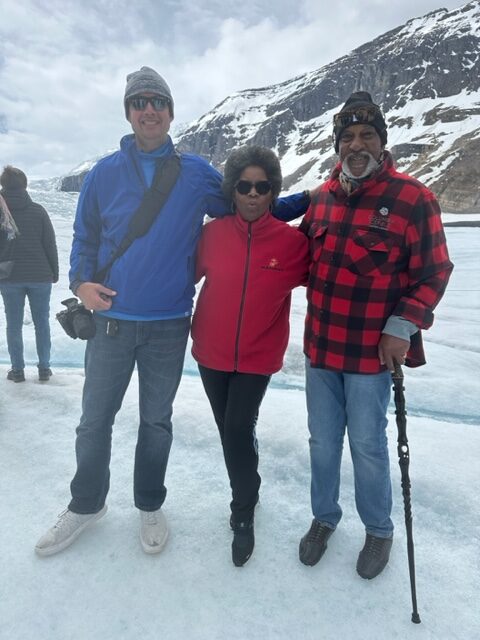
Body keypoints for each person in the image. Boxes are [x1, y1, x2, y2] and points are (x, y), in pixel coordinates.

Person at [35, 67, 310, 557]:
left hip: (167, 325)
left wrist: (311, 199)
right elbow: (85, 237)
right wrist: (80, 282)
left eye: (157, 101)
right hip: (112, 321)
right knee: (94, 420)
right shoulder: (102, 173)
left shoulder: (196, 172)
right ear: (128, 112)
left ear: (170, 112)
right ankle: (85, 503)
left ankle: (149, 502)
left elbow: (247, 206)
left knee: (156, 422)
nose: (148, 110)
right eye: (139, 102)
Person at [298, 91, 453, 579]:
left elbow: (434, 272)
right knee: (322, 442)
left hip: (370, 356)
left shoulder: (414, 198)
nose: (357, 145)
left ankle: (379, 530)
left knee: (367, 444)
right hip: (320, 348)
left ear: (383, 143)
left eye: (367, 135)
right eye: (348, 137)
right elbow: (294, 258)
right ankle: (324, 518)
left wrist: (401, 327)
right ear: (337, 146)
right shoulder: (321, 198)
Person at [191, 146, 309, 566]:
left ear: (274, 190)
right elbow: (179, 277)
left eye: (263, 186)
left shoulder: (294, 243)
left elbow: (330, 279)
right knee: (230, 430)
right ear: (233, 190)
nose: (253, 194)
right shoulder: (212, 235)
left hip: (258, 357)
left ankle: (243, 510)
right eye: (245, 186)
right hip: (210, 352)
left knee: (238, 427)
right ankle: (249, 488)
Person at [0, 166, 58, 383]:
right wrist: (54, 272)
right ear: (24, 185)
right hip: (40, 275)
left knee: (13, 324)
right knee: (42, 323)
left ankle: (17, 371)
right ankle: (44, 369)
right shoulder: (38, 210)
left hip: (9, 277)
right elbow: (49, 244)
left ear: (3, 185)